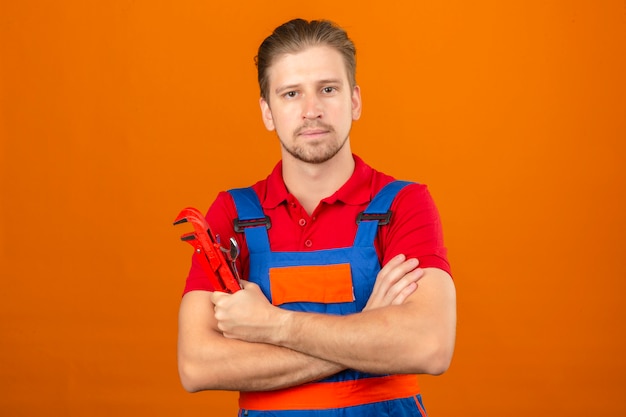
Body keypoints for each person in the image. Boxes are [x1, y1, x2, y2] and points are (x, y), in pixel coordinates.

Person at [177, 18, 456, 416]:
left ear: (354, 100)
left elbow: (429, 346)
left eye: (328, 89)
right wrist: (368, 329)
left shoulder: (403, 205)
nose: (312, 110)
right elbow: (197, 365)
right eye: (291, 94)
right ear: (268, 111)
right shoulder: (232, 214)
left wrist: (274, 325)